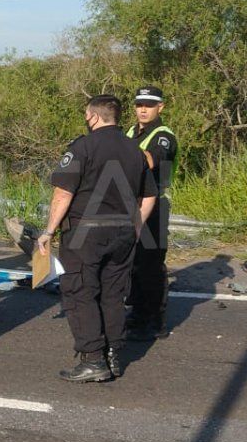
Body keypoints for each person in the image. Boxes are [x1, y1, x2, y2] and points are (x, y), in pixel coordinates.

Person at [37, 95, 156, 383]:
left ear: (93, 116)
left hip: (85, 233)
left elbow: (63, 193)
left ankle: (92, 359)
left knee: (80, 292)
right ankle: (113, 353)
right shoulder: (135, 149)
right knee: (113, 294)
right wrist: (136, 227)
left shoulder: (83, 147)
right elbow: (150, 194)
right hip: (123, 231)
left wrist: (48, 231)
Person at [125, 86, 178, 342]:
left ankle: (155, 322)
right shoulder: (130, 132)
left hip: (155, 205)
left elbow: (151, 160)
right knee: (133, 262)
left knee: (151, 265)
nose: (143, 109)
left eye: (149, 105)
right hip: (131, 203)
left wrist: (116, 150)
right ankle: (137, 314)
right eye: (139, 105)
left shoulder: (163, 135)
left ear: (160, 107)